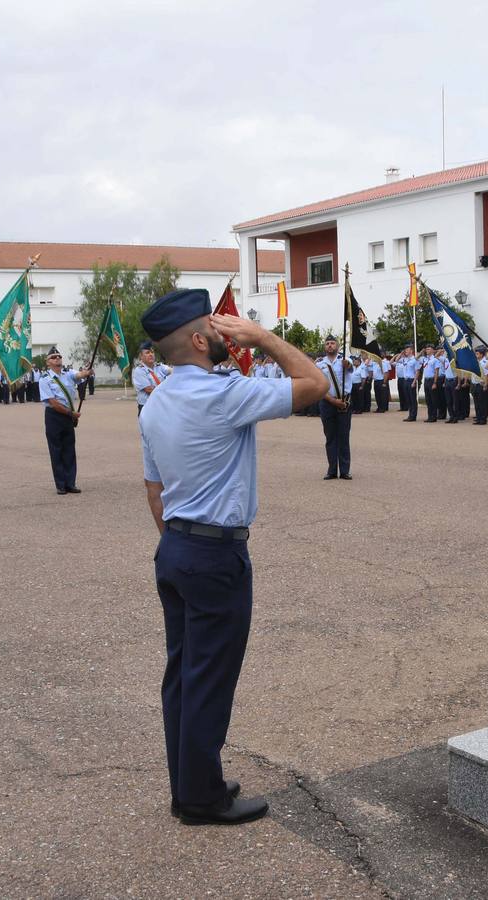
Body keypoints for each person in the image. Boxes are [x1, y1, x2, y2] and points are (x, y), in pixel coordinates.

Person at [137, 288, 327, 825]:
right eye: (214, 325)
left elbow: (154, 490)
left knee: (183, 675)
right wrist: (263, 337)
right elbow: (315, 383)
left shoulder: (156, 401)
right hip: (214, 554)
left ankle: (189, 782)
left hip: (176, 546)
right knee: (209, 680)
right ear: (199, 341)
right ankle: (201, 799)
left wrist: (180, 542)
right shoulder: (225, 393)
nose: (226, 331)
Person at [41, 346, 91, 494]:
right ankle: (61, 485)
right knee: (56, 450)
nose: (57, 359)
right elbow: (53, 402)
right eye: (53, 357)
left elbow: (80, 375)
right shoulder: (45, 379)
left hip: (68, 416)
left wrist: (88, 371)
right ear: (48, 362)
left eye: (59, 356)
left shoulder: (68, 373)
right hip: (54, 416)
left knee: (69, 450)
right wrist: (71, 413)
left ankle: (70, 483)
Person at [316, 336, 353, 479]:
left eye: (332, 343)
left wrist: (347, 365)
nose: (330, 345)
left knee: (344, 437)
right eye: (327, 343)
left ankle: (344, 471)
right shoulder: (320, 364)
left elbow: (350, 367)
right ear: (324, 347)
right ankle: (332, 470)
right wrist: (332, 400)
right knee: (330, 437)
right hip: (327, 403)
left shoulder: (345, 360)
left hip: (344, 403)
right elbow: (318, 386)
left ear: (337, 346)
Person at [133, 340, 168, 415]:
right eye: (147, 353)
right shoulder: (139, 371)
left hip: (161, 405)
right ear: (141, 356)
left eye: (152, 352)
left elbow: (173, 371)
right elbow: (149, 389)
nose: (151, 354)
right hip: (147, 407)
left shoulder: (160, 367)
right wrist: (169, 391)